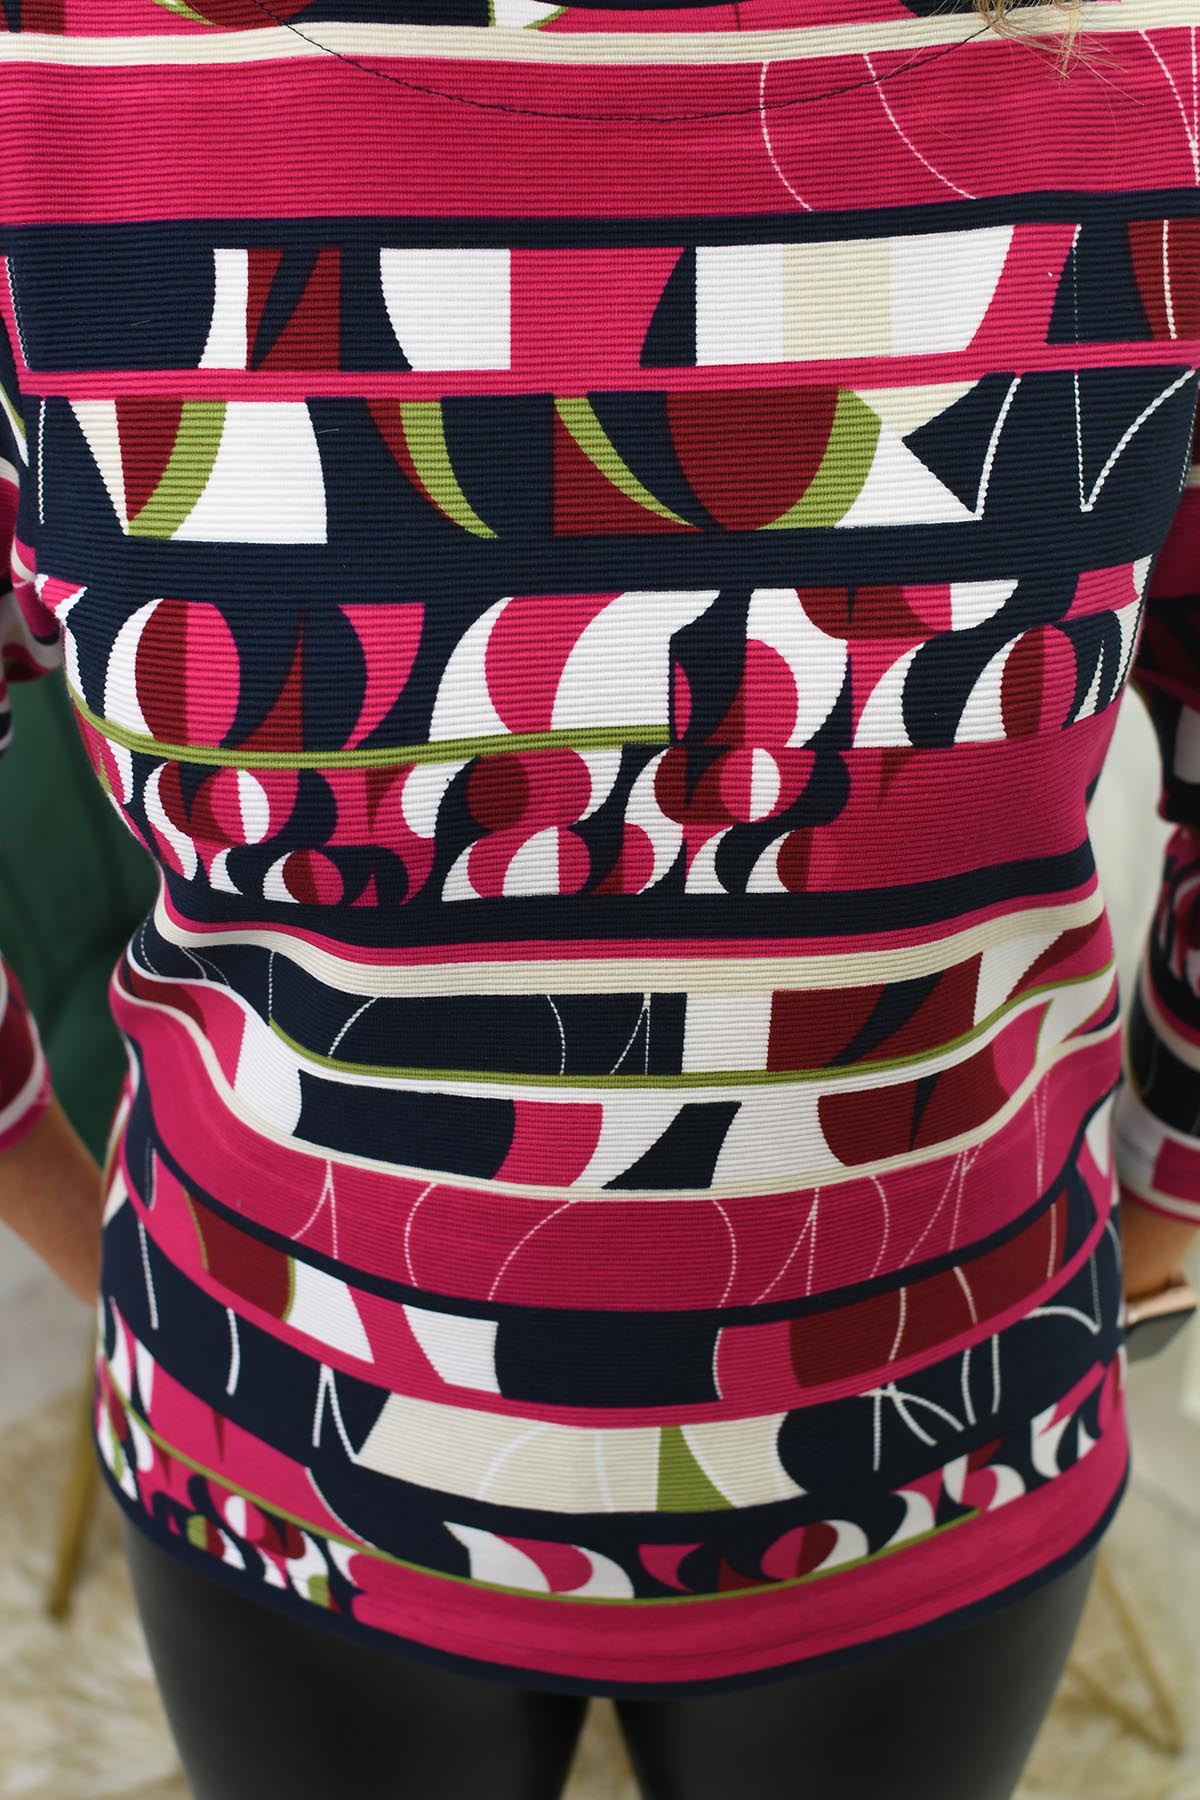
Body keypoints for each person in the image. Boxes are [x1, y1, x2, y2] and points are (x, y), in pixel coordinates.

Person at [0, 0, 1197, 1793]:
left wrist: (1170, 1196)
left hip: (938, 1464)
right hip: (270, 1457)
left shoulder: (1151, 78)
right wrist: (58, 1199)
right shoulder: (47, 92)